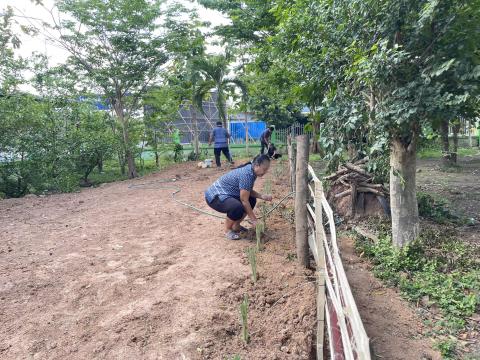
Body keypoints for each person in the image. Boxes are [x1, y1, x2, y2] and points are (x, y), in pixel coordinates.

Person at [205, 155, 273, 240]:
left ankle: (236, 226)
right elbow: (244, 200)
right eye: (264, 169)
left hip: (227, 193)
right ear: (256, 165)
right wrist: (254, 220)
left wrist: (262, 196)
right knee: (236, 207)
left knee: (251, 200)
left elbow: (246, 190)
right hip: (214, 196)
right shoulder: (247, 174)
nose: (265, 172)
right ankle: (227, 230)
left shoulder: (252, 171)